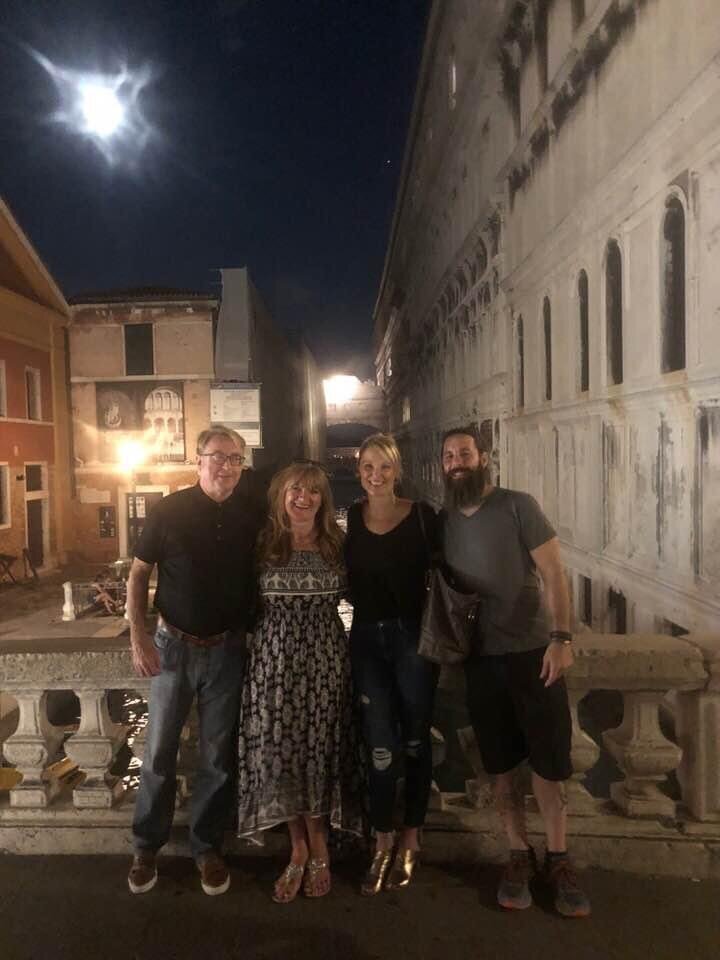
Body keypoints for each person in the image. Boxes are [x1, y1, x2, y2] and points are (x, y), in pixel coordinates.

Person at [440, 424, 590, 918]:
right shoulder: (445, 520)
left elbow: (553, 573)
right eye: (449, 456)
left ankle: (559, 858)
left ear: (483, 457)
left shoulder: (517, 504)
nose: (456, 461)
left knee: (548, 766)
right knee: (500, 768)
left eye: (464, 452)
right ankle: (518, 855)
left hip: (532, 654)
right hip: (481, 660)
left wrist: (562, 638)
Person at [126, 426, 260, 896]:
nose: (225, 466)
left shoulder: (252, 512)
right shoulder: (169, 510)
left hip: (227, 650)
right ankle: (146, 846)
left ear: (242, 466)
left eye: (234, 459)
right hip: (173, 649)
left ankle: (207, 848)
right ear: (197, 461)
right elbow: (139, 574)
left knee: (217, 759)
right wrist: (138, 635)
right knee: (158, 754)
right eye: (216, 457)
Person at [237, 462, 362, 903]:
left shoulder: (338, 545)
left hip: (326, 664)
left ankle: (320, 846)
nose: (303, 498)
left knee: (320, 752)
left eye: (312, 491)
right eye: (294, 490)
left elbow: (369, 593)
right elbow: (238, 600)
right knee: (283, 753)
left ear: (323, 499)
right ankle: (298, 848)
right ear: (281, 497)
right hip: (273, 666)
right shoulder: (264, 544)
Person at [344, 433, 440, 895]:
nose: (376, 476)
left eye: (384, 467)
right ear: (359, 472)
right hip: (366, 640)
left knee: (418, 741)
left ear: (397, 470)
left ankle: (411, 836)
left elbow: (451, 572)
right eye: (368, 468)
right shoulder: (353, 521)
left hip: (413, 639)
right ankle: (381, 838)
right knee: (380, 745)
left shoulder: (422, 516)